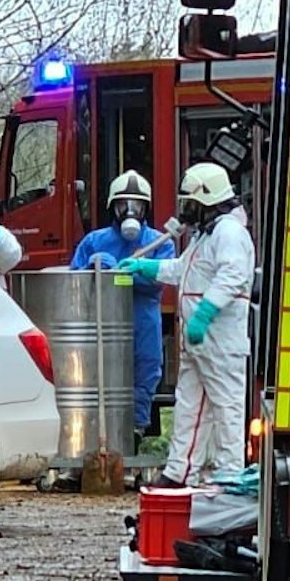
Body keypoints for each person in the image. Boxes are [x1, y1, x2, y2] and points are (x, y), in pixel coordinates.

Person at [118, 161, 253, 488]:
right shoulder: (207, 235)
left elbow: (233, 275)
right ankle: (179, 472)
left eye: (190, 204)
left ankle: (229, 474)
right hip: (199, 340)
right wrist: (146, 267)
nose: (186, 211)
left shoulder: (230, 233)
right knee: (190, 406)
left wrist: (205, 313)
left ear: (207, 200)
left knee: (226, 409)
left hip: (219, 337)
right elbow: (184, 270)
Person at [72, 171, 176, 442]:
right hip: (100, 320)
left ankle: (136, 431)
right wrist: (92, 267)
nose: (130, 211)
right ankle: (92, 435)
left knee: (145, 369)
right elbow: (74, 281)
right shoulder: (94, 242)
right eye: (123, 204)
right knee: (97, 374)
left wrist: (132, 273)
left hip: (142, 318)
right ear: (112, 207)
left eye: (137, 205)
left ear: (146, 208)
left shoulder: (160, 242)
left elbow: (160, 279)